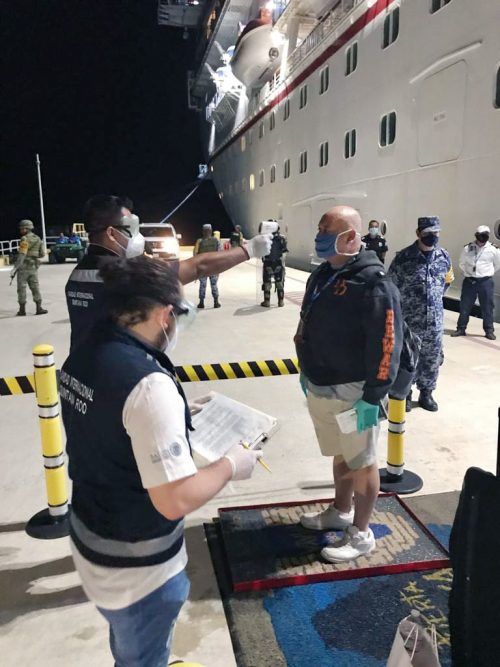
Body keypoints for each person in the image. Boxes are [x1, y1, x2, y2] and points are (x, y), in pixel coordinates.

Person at [61, 255, 262, 667]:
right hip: (138, 567)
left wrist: (175, 416)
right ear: (162, 314)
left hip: (92, 532)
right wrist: (232, 464)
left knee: (127, 642)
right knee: (143, 655)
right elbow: (174, 500)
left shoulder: (86, 349)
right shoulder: (147, 385)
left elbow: (109, 424)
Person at [295, 205, 403, 562]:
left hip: (354, 390)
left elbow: (388, 342)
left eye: (327, 232)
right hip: (322, 383)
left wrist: (374, 395)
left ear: (352, 237)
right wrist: (306, 367)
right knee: (341, 454)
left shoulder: (374, 283)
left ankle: (361, 533)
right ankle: (340, 511)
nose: (319, 237)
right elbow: (308, 319)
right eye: (320, 230)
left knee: (363, 462)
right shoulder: (322, 274)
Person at [65, 196, 271, 349]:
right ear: (111, 233)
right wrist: (249, 249)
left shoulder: (76, 276)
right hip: (117, 380)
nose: (138, 236)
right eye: (131, 228)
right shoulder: (126, 274)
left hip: (80, 376)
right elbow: (198, 267)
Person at [388, 216, 453, 412]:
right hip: (410, 321)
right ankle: (405, 394)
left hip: (434, 322)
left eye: (436, 232)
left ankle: (427, 393)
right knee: (408, 359)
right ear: (418, 233)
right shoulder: (403, 258)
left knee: (432, 360)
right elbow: (391, 287)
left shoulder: (444, 256)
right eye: (428, 233)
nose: (433, 236)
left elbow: (446, 282)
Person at [451, 225, 500, 340]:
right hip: (470, 281)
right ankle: (461, 328)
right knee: (465, 306)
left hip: (485, 282)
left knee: (487, 307)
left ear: (488, 236)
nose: (482, 238)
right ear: (476, 235)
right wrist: (468, 273)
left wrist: (487, 273)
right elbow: (461, 263)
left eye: (484, 235)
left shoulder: (494, 249)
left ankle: (489, 330)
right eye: (480, 235)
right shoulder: (467, 248)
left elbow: (497, 264)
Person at [11, 219, 48, 316]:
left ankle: (22, 310)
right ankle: (39, 308)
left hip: (23, 268)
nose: (20, 230)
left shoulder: (24, 239)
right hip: (33, 267)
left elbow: (22, 255)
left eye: (22, 228)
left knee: (21, 288)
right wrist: (33, 256)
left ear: (26, 229)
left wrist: (15, 268)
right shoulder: (38, 238)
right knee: (35, 287)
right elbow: (42, 254)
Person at [260, 220, 288, 307]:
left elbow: (261, 251)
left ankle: (267, 301)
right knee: (279, 282)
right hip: (278, 263)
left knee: (267, 282)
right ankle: (281, 301)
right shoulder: (282, 238)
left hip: (267, 263)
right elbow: (284, 251)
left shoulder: (264, 238)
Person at [193, 223, 221, 309]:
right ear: (211, 231)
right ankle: (216, 302)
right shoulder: (216, 241)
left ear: (203, 231)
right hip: (213, 267)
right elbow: (220, 254)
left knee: (202, 285)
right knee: (214, 284)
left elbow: (195, 254)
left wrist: (196, 267)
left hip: (203, 267)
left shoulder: (199, 241)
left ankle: (201, 303)